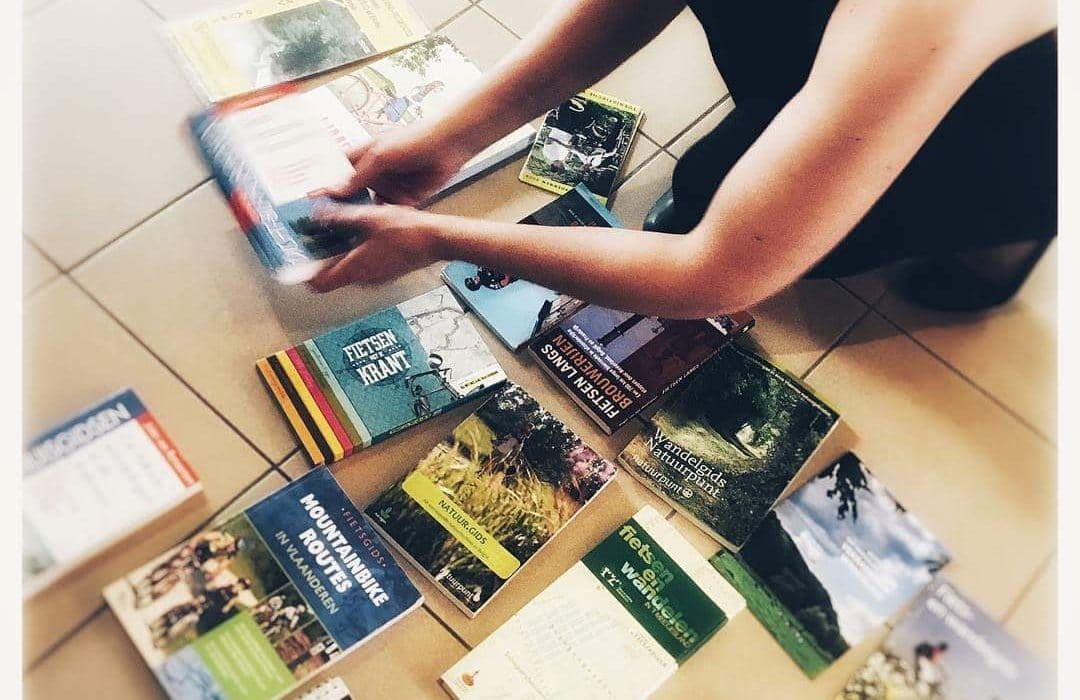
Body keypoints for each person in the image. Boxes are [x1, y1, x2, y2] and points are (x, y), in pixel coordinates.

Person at [307, 0, 1056, 315]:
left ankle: (1004, 244)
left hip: (1004, 128)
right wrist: (453, 136)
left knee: (715, 205)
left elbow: (716, 272)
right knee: (726, 177)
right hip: (861, 60)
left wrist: (438, 238)